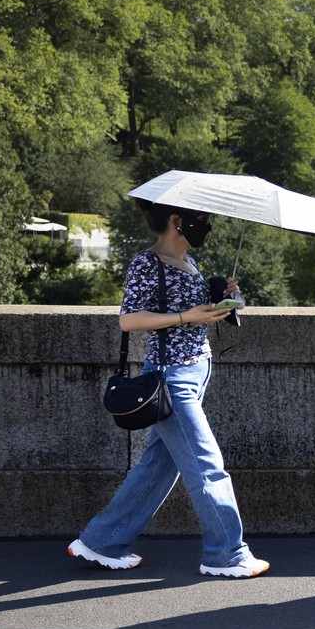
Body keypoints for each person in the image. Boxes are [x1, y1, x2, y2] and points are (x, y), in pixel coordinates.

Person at [68, 199, 268, 578]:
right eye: (201, 219)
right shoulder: (148, 263)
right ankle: (226, 554)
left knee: (159, 467)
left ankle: (102, 541)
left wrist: (220, 297)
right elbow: (128, 320)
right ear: (177, 221)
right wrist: (185, 316)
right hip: (170, 377)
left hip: (194, 372)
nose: (206, 226)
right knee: (207, 466)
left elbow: (193, 317)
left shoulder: (189, 263)